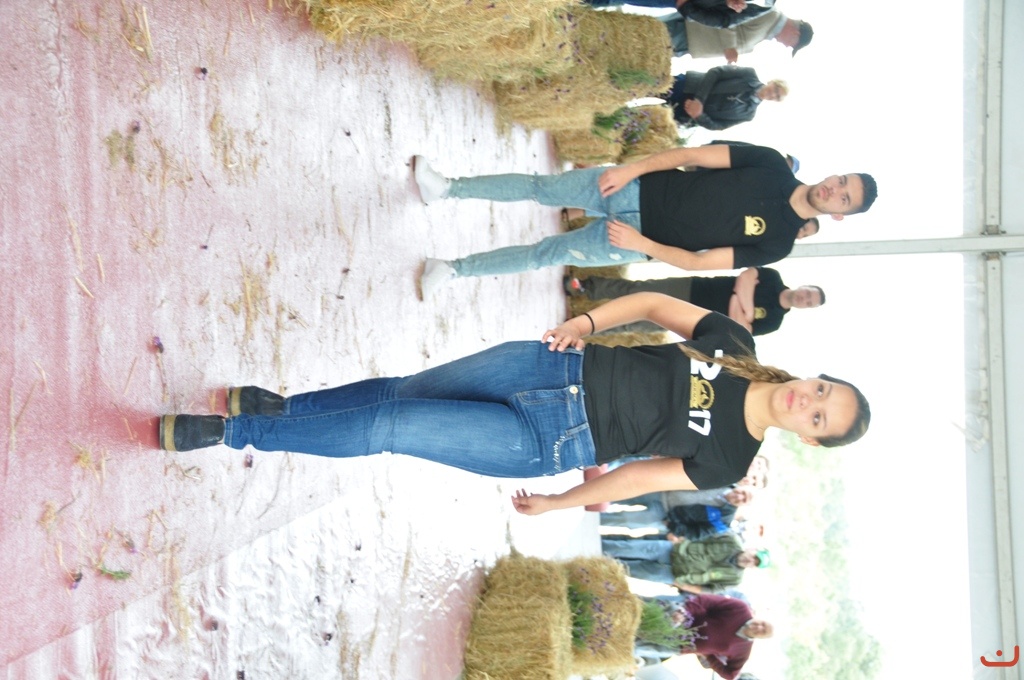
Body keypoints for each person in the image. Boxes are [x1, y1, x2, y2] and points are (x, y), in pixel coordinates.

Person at [158, 294, 870, 513]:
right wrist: (585, 322)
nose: (807, 402)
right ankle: (284, 409)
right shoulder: (735, 348)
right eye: (823, 391)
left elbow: (634, 479)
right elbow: (655, 304)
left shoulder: (727, 460)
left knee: (390, 426)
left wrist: (561, 503)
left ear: (809, 439)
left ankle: (232, 431)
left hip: (549, 441)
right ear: (818, 377)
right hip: (548, 363)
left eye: (818, 418)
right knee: (398, 391)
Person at [413, 145, 876, 297]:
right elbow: (693, 155)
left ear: (839, 214)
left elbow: (699, 263)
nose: (833, 189)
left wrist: (642, 244)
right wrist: (632, 169)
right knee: (541, 187)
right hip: (635, 187)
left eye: (844, 197)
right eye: (841, 180)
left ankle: (452, 270)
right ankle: (446, 187)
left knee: (544, 255)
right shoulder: (772, 163)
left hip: (633, 241)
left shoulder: (777, 245)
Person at [566, 267, 824, 336]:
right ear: (804, 286)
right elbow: (745, 278)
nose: (805, 298)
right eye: (808, 293)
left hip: (695, 320)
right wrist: (744, 308)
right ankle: (585, 287)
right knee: (636, 290)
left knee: (634, 324)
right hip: (693, 288)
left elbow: (740, 328)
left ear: (806, 308)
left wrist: (740, 298)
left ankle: (581, 326)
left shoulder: (774, 322)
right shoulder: (773, 277)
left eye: (809, 302)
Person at [602, 530, 768, 590]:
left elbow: (710, 590)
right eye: (754, 557)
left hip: (673, 574)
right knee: (626, 547)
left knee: (627, 569)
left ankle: (596, 565)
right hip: (672, 550)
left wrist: (685, 586)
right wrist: (679, 538)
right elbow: (705, 536)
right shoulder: (732, 541)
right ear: (752, 550)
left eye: (755, 564)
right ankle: (594, 546)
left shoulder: (735, 579)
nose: (751, 561)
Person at [663, 9, 812, 62]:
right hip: (687, 32)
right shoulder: (769, 14)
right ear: (795, 34)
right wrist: (730, 47)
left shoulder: (768, 28)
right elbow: (730, 14)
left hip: (688, 42)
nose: (786, 45)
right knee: (649, 39)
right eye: (791, 44)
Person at [681, 593, 772, 680]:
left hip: (679, 645)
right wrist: (684, 613)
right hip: (679, 619)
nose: (759, 627)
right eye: (763, 624)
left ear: (761, 638)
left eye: (763, 631)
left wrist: (709, 656)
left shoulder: (744, 651)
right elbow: (706, 600)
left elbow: (730, 675)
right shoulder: (741, 609)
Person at [666, 67, 787, 130]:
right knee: (654, 86)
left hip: (686, 113)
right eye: (776, 89)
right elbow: (716, 72)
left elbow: (718, 126)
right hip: (687, 86)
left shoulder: (748, 115)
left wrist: (699, 115)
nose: (773, 94)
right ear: (772, 82)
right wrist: (699, 100)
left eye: (777, 97)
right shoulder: (749, 74)